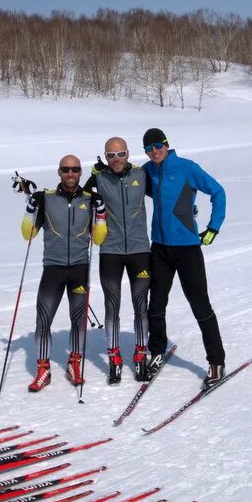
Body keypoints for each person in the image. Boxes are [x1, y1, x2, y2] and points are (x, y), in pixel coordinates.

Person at [13, 155, 107, 392]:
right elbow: (28, 234)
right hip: (53, 269)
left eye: (75, 170)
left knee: (78, 320)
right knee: (43, 319)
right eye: (65, 170)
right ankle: (43, 369)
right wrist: (29, 210)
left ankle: (74, 363)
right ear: (59, 172)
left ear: (80, 172)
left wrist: (102, 214)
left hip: (79, 268)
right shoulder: (46, 199)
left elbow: (98, 238)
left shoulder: (91, 199)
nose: (70, 174)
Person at [142, 128, 227, 387]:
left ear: (167, 145)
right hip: (159, 248)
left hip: (188, 248)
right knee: (155, 305)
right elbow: (127, 183)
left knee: (200, 305)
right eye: (149, 148)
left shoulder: (187, 167)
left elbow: (218, 192)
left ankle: (217, 361)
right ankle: (156, 352)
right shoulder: (148, 170)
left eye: (158, 145)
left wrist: (213, 227)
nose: (155, 151)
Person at [84, 137, 151, 384]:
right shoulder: (100, 178)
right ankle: (114, 358)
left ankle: (141, 355)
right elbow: (79, 199)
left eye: (120, 154)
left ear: (127, 153)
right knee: (112, 305)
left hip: (139, 251)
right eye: (110, 155)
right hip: (110, 251)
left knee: (140, 305)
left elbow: (166, 194)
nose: (116, 160)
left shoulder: (142, 175)